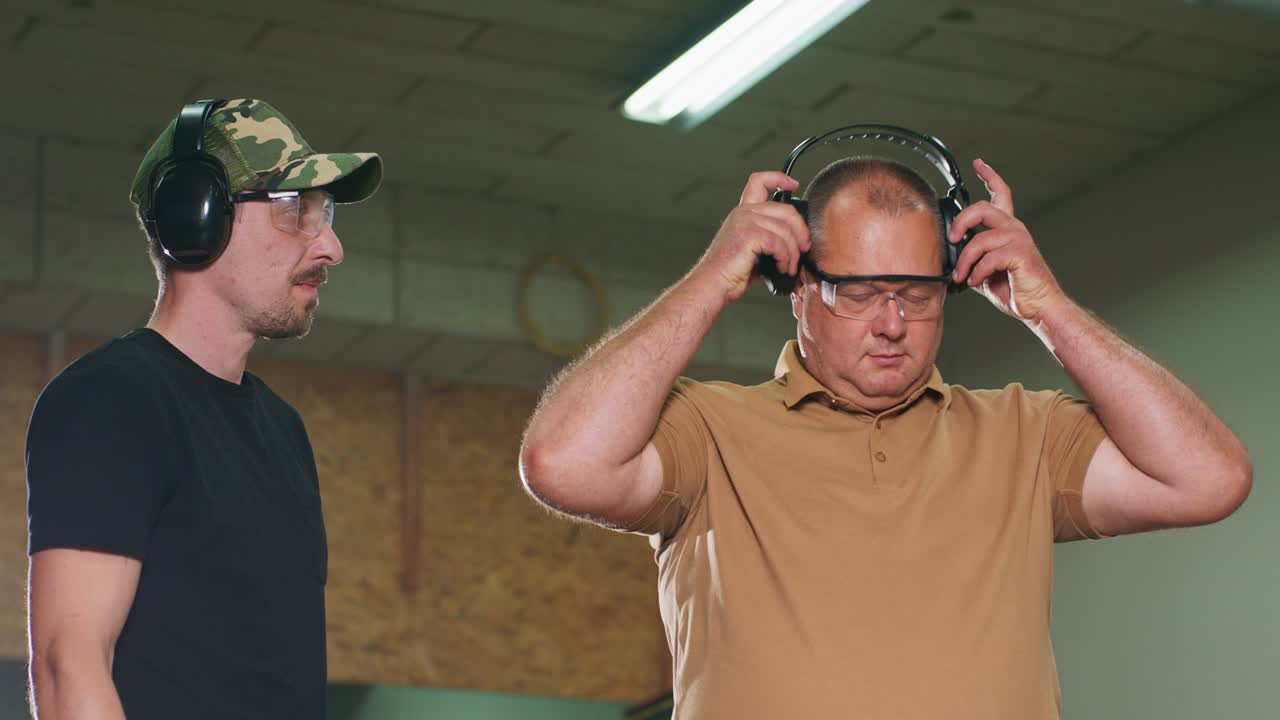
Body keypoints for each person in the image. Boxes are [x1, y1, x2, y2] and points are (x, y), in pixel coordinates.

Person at [519, 156, 1252, 718]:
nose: (893, 322)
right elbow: (561, 464)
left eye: (919, 294)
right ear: (797, 288)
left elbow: (1209, 479)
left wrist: (1048, 310)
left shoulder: (1026, 433)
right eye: (861, 293)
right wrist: (712, 279)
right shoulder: (707, 432)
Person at [25, 98, 381, 720]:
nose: (330, 247)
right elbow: (68, 664)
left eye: (327, 215)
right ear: (197, 214)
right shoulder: (114, 399)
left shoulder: (282, 430)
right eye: (297, 210)